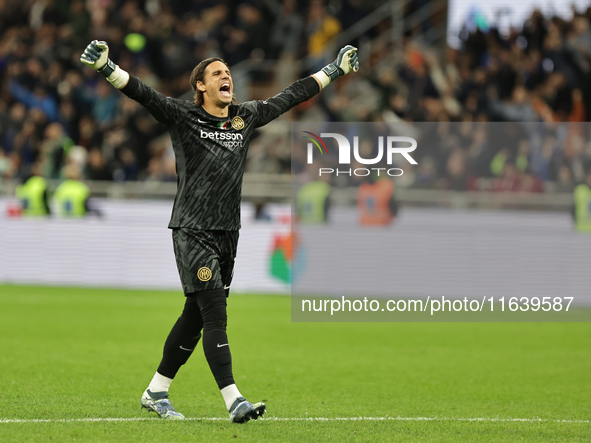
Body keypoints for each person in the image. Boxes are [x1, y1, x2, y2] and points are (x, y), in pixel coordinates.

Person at [80, 39, 359, 423]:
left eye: (227, 72)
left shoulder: (245, 117)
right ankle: (234, 400)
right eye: (217, 73)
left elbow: (291, 95)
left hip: (229, 231)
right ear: (201, 86)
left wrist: (334, 70)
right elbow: (142, 93)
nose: (226, 76)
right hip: (192, 228)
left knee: (195, 315)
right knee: (215, 314)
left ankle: (156, 391)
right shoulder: (183, 116)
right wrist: (107, 67)